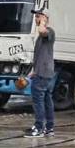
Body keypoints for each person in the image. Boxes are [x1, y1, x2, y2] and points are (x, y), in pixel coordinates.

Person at [26, 8, 56, 138]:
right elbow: (41, 55)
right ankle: (49, 128)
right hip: (42, 72)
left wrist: (43, 22)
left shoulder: (49, 32)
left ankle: (39, 128)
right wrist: (34, 71)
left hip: (43, 74)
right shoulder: (41, 36)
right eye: (36, 16)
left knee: (38, 100)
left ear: (45, 18)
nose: (36, 18)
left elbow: (43, 31)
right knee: (47, 100)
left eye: (38, 16)